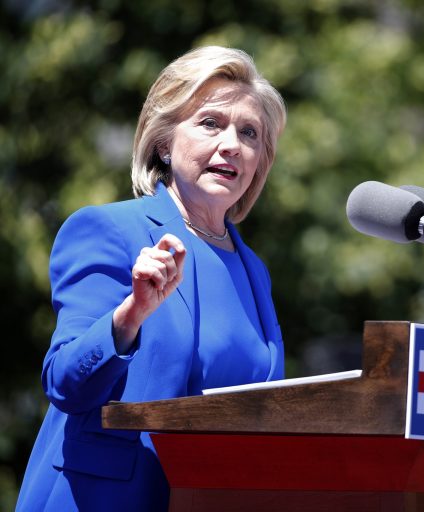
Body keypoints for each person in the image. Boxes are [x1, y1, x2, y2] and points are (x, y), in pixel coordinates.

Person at [16, 46, 287, 511]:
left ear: (260, 159)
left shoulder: (253, 270)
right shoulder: (108, 230)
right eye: (210, 123)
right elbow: (65, 382)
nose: (232, 144)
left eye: (249, 133)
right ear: (164, 143)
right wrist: (131, 315)